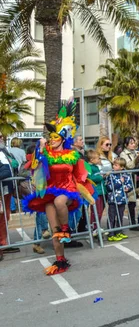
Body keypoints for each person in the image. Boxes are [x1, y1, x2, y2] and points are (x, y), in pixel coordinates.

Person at [21, 100, 95, 274]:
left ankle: (66, 228)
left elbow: (79, 175)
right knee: (54, 231)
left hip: (68, 190)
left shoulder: (73, 154)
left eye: (55, 137)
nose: (52, 140)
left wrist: (85, 190)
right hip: (50, 191)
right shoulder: (46, 152)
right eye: (51, 137)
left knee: (60, 203)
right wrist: (39, 148)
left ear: (63, 139)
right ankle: (60, 260)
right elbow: (33, 166)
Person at [0, 133, 20, 259]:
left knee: (4, 216)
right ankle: (2, 243)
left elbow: (11, 168)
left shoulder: (4, 151)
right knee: (2, 217)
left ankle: (3, 242)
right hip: (2, 190)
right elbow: (6, 171)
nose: (2, 138)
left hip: (6, 190)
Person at [104, 157, 133, 242]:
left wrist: (128, 188)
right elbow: (109, 187)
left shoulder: (126, 174)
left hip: (122, 199)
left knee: (120, 216)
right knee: (112, 216)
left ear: (122, 167)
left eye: (116, 165)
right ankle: (111, 233)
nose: (114, 166)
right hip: (113, 200)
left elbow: (130, 184)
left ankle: (118, 231)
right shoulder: (111, 175)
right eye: (113, 164)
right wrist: (120, 182)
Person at [120, 136, 139, 229]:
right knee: (131, 202)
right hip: (130, 179)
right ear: (126, 145)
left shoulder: (136, 152)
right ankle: (132, 223)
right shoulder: (123, 154)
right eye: (131, 143)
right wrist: (138, 157)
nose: (133, 145)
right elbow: (129, 165)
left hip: (138, 178)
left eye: (134, 143)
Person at [86, 150, 106, 236]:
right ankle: (94, 227)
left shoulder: (95, 166)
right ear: (91, 159)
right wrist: (100, 177)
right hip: (95, 191)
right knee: (96, 210)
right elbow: (90, 178)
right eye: (98, 158)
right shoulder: (89, 167)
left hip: (101, 191)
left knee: (100, 210)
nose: (99, 160)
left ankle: (97, 226)